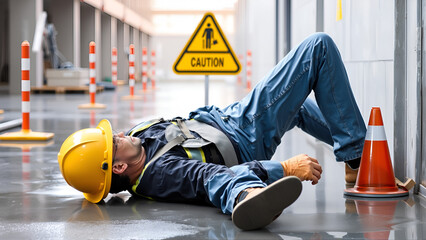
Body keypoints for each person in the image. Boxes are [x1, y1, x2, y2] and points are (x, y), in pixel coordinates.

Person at [58, 33, 366, 231]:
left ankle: (358, 161)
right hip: (243, 134)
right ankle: (357, 158)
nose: (121, 133)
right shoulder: (160, 173)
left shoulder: (138, 138)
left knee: (294, 106)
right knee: (318, 48)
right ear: (119, 167)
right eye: (115, 141)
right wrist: (281, 170)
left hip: (230, 118)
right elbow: (209, 180)